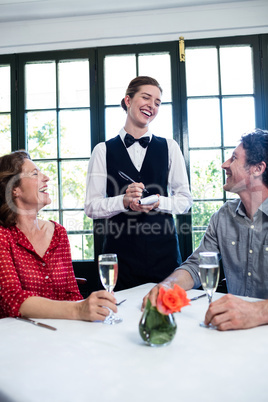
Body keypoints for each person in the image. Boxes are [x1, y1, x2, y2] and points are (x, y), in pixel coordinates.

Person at [143, 128, 268, 331]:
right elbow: (196, 266)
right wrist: (167, 286)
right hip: (231, 330)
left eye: (234, 158)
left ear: (257, 168)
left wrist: (257, 312)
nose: (224, 164)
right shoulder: (223, 216)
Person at [84, 76, 192, 290]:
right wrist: (123, 201)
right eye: (146, 97)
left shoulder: (170, 147)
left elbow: (185, 200)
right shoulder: (102, 150)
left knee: (166, 317)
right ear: (128, 100)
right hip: (119, 257)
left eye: (158, 102)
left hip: (164, 254)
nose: (152, 106)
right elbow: (91, 207)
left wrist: (159, 202)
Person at [0, 150, 117, 321]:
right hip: (20, 338)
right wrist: (78, 310)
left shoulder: (58, 233)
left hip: (63, 334)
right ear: (14, 189)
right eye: (35, 173)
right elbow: (11, 299)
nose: (46, 177)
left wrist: (87, 314)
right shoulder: (3, 236)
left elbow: (72, 293)